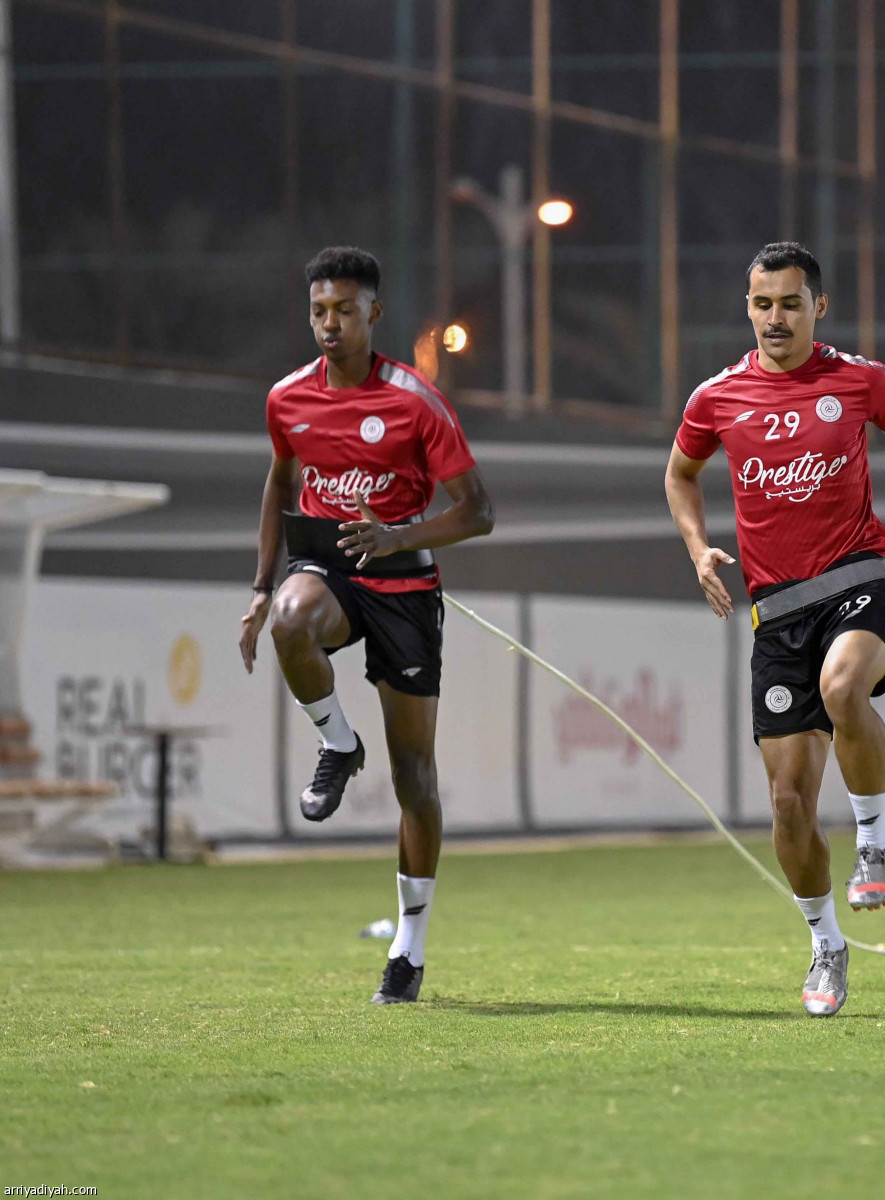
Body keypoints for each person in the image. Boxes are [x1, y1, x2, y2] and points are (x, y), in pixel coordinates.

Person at [665, 242, 885, 1017]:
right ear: (747, 307)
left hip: (859, 580)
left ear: (819, 306)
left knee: (844, 688)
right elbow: (680, 473)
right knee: (786, 807)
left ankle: (874, 837)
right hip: (776, 611)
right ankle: (826, 945)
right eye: (761, 303)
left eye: (789, 302)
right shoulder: (716, 396)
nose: (774, 317)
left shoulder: (860, 379)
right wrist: (697, 548)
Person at [239, 246, 494, 1005]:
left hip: (406, 589)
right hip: (331, 572)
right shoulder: (287, 399)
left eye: (343, 310)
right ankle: (337, 742)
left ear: (373, 314)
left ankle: (409, 950)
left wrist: (398, 536)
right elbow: (280, 481)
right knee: (291, 620)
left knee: (415, 776)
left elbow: (478, 512)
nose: (328, 323)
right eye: (318, 309)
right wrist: (260, 586)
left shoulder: (416, 401)